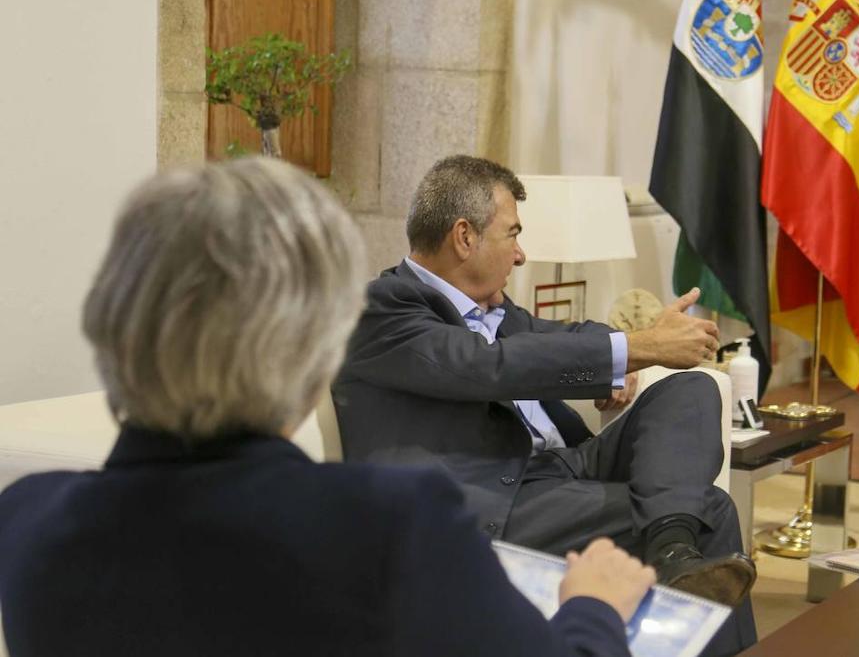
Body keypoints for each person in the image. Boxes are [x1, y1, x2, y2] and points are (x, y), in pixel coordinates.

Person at [0, 158, 655, 657]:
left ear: (113, 326)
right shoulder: (391, 524)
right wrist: (593, 607)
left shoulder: (25, 524)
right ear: (310, 350)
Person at [333, 155, 757, 655]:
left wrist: (624, 358)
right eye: (511, 234)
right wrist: (640, 346)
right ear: (465, 237)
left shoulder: (496, 308)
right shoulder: (384, 308)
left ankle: (671, 546)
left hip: (560, 469)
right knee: (709, 509)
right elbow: (485, 367)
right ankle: (674, 547)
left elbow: (559, 338)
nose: (520, 255)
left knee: (693, 389)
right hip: (490, 499)